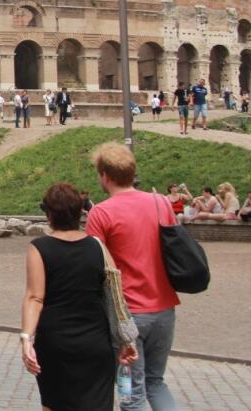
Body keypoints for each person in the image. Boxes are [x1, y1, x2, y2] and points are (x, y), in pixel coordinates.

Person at [21, 184, 137, 409]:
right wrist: (125, 339)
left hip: (55, 342)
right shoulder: (98, 246)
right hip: (95, 342)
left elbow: (35, 297)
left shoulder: (39, 247)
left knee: (55, 404)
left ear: (49, 214)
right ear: (80, 213)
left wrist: (26, 338)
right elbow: (115, 295)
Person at [86, 143, 179, 410]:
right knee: (156, 382)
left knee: (131, 390)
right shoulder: (161, 203)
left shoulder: (101, 213)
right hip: (164, 306)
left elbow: (96, 266)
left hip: (127, 313)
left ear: (104, 175)